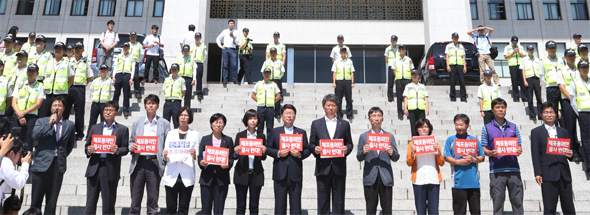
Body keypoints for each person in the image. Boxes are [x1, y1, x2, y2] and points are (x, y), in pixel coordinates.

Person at [30, 96, 76, 215]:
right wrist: (49, 124)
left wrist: (62, 155)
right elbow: (34, 135)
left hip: (57, 165)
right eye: (55, 105)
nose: (57, 107)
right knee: (36, 200)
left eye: (60, 105)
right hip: (41, 165)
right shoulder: (41, 121)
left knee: (52, 201)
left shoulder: (69, 124)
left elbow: (70, 144)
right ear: (51, 108)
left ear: (64, 108)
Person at [309, 94, 354, 215]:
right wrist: (315, 149)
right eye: (328, 105)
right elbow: (311, 144)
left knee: (339, 200)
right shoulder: (316, 124)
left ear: (337, 107)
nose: (331, 107)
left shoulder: (344, 124)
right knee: (322, 200)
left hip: (339, 167)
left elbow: (350, 143)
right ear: (323, 106)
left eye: (333, 105)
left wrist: (346, 149)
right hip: (322, 167)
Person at [84, 101, 129, 215]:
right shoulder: (95, 128)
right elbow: (87, 146)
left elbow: (125, 148)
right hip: (94, 167)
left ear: (116, 113)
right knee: (90, 204)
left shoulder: (122, 129)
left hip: (110, 168)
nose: (108, 112)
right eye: (106, 110)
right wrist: (88, 150)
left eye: (111, 110)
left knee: (108, 205)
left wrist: (117, 150)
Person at [480, 98, 524, 215]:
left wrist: (518, 150)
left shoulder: (513, 127)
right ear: (492, 110)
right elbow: (484, 149)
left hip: (513, 169)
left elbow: (519, 147)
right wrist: (490, 153)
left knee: (517, 201)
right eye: (498, 107)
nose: (500, 110)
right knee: (498, 202)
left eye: (503, 107)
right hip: (496, 169)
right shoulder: (486, 128)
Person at [531, 102, 576, 215]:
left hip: (564, 174)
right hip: (548, 174)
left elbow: (570, 151)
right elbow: (535, 154)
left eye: (551, 112)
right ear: (541, 115)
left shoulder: (563, 132)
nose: (549, 115)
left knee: (569, 207)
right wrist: (538, 172)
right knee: (550, 207)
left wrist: (571, 154)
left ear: (556, 114)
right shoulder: (536, 132)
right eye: (546, 112)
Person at [128, 94, 170, 215]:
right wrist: (131, 146)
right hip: (139, 162)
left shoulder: (164, 123)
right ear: (145, 106)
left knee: (153, 199)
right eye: (148, 103)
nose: (150, 105)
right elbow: (131, 141)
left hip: (154, 162)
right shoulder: (137, 122)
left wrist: (166, 154)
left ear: (157, 105)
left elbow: (168, 142)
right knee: (135, 199)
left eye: (153, 103)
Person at [267, 104, 310, 214]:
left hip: (295, 173)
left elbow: (307, 150)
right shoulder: (275, 131)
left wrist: (299, 154)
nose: (289, 116)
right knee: (279, 205)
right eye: (286, 113)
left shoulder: (301, 132)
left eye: (291, 113)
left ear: (295, 116)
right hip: (280, 173)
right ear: (282, 116)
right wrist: (278, 153)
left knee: (295, 204)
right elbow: (268, 149)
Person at [357, 107, 400, 215]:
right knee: (370, 209)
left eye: (379, 116)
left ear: (382, 119)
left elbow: (396, 157)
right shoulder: (363, 137)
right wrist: (363, 152)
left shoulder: (389, 136)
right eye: (374, 116)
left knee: (387, 209)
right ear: (369, 119)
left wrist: (391, 152)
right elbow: (358, 157)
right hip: (370, 177)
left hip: (386, 177)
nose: (376, 118)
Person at [443, 114, 485, 215]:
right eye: (457, 124)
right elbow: (446, 157)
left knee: (476, 211)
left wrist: (473, 159)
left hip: (473, 182)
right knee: (459, 212)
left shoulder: (474, 140)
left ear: (467, 125)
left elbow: (482, 157)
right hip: (458, 183)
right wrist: (458, 162)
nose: (459, 127)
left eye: (462, 124)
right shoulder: (451, 140)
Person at [162, 107, 199, 215]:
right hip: (172, 173)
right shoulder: (171, 133)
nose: (183, 117)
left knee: (183, 208)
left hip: (186, 174)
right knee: (171, 208)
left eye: (186, 115)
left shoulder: (195, 134)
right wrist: (165, 155)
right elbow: (166, 151)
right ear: (177, 117)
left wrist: (194, 154)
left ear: (190, 118)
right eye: (181, 115)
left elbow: (198, 153)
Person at [198, 113, 234, 215]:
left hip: (221, 179)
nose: (218, 125)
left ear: (224, 125)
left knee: (219, 209)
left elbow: (231, 158)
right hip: (207, 178)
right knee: (206, 208)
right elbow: (200, 156)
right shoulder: (205, 139)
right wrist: (201, 162)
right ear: (211, 124)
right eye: (216, 122)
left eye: (221, 122)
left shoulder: (228, 140)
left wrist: (228, 165)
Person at [406, 118, 444, 215]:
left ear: (429, 129)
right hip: (419, 179)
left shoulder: (434, 142)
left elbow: (441, 162)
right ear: (417, 129)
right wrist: (412, 152)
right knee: (420, 210)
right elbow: (409, 162)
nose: (424, 129)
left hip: (433, 179)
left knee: (434, 211)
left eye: (426, 127)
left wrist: (438, 151)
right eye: (421, 127)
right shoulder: (412, 143)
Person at [233, 109, 267, 215]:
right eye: (250, 118)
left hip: (256, 174)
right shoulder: (240, 135)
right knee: (240, 206)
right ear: (246, 120)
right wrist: (236, 152)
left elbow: (263, 157)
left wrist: (264, 151)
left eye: (255, 118)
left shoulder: (261, 136)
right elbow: (234, 156)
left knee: (254, 206)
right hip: (241, 172)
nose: (253, 121)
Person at [64, 42, 92, 140]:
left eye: (80, 48)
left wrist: (82, 84)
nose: (78, 50)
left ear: (83, 50)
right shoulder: (68, 61)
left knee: (79, 111)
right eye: (76, 48)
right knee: (65, 110)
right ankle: (64, 130)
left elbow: (90, 77)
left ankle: (79, 133)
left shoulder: (86, 62)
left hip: (80, 88)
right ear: (73, 50)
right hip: (68, 87)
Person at [11, 63, 44, 149]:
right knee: (14, 136)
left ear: (37, 73)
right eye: (29, 71)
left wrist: (24, 113)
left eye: (33, 71)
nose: (30, 73)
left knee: (29, 135)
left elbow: (38, 104)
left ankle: (27, 159)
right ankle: (15, 158)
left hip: (31, 115)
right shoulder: (20, 84)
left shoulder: (40, 86)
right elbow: (14, 102)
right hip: (18, 114)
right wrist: (20, 115)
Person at [39, 42, 74, 118]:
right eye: (56, 48)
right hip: (47, 94)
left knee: (59, 117)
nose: (57, 50)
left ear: (64, 51)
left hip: (60, 94)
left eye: (60, 49)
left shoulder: (67, 63)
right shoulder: (48, 63)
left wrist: (64, 87)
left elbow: (71, 79)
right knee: (43, 115)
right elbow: (44, 77)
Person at [558, 48, 581, 158]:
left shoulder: (580, 69)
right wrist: (573, 99)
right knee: (570, 126)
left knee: (584, 126)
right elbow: (562, 88)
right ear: (565, 57)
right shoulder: (561, 70)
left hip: (582, 102)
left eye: (573, 56)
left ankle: (582, 149)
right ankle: (573, 150)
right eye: (569, 56)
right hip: (568, 101)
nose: (572, 57)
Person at [570, 60, 590, 177]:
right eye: (582, 67)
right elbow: (573, 103)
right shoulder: (575, 82)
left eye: (586, 67)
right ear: (578, 69)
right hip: (584, 115)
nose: (585, 69)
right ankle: (588, 168)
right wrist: (581, 114)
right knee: (586, 142)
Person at [540, 40, 565, 127]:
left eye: (554, 48)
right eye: (550, 48)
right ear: (546, 49)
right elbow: (541, 76)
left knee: (565, 112)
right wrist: (547, 86)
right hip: (551, 88)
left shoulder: (561, 59)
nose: (552, 50)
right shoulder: (543, 61)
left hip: (563, 88)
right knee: (553, 111)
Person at [252, 68, 280, 138]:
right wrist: (259, 101)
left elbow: (278, 96)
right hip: (260, 108)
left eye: (268, 73)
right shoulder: (258, 84)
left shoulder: (273, 84)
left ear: (270, 74)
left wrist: (272, 102)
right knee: (259, 126)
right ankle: (260, 141)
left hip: (270, 108)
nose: (267, 75)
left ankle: (269, 144)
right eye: (265, 73)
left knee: (270, 127)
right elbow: (253, 95)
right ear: (263, 74)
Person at [88, 64, 115, 133]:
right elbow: (91, 90)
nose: (103, 71)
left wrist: (109, 102)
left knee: (104, 121)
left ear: (107, 71)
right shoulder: (95, 80)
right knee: (92, 120)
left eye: (104, 70)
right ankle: (89, 135)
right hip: (95, 103)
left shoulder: (109, 81)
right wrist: (93, 98)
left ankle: (103, 134)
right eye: (101, 69)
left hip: (104, 104)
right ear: (99, 71)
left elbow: (112, 92)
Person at [112, 42, 136, 116]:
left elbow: (133, 68)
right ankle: (115, 109)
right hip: (118, 75)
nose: (125, 48)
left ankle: (126, 109)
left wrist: (131, 78)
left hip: (127, 75)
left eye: (126, 47)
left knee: (126, 93)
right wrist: (113, 76)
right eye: (124, 47)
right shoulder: (119, 56)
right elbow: (115, 66)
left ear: (129, 48)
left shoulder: (132, 56)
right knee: (116, 93)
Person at [331, 47, 355, 120]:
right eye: (342, 52)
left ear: (346, 53)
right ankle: (339, 114)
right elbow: (334, 72)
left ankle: (349, 113)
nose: (343, 53)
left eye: (345, 52)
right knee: (338, 99)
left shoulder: (350, 61)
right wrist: (334, 82)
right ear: (340, 53)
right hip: (339, 81)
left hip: (347, 81)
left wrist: (352, 82)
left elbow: (352, 72)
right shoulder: (336, 61)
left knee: (349, 98)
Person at [403, 69, 429, 136]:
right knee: (413, 126)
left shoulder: (422, 86)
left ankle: (422, 139)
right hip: (412, 109)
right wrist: (405, 108)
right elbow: (406, 98)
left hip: (421, 109)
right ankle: (414, 140)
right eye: (413, 75)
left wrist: (427, 108)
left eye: (415, 75)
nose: (414, 76)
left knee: (422, 125)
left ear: (418, 76)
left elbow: (426, 98)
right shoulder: (408, 86)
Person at [261, 47, 285, 119]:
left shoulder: (280, 62)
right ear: (270, 54)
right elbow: (262, 71)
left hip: (277, 80)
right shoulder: (266, 62)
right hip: (269, 80)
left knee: (277, 97)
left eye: (274, 52)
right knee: (270, 95)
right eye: (271, 52)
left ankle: (277, 113)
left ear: (276, 53)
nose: (273, 53)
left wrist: (278, 77)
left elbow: (282, 71)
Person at [521, 45, 543, 121]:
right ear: (527, 51)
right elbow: (523, 71)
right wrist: (524, 81)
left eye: (532, 49)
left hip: (537, 79)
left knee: (539, 98)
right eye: (530, 49)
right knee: (530, 99)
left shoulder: (537, 59)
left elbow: (540, 71)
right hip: (529, 79)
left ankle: (540, 114)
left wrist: (541, 80)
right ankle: (532, 115)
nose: (531, 51)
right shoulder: (524, 59)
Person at [216, 19, 240, 85]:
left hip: (233, 49)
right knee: (225, 65)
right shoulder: (225, 31)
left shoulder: (236, 32)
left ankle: (235, 79)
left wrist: (233, 37)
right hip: (225, 49)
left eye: (232, 23)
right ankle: (225, 79)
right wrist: (220, 46)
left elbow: (238, 43)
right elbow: (218, 38)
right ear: (228, 24)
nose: (231, 24)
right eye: (230, 23)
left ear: (234, 25)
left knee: (234, 65)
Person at [394, 45, 414, 120]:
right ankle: (400, 113)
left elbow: (411, 69)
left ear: (405, 51)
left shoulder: (409, 59)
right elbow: (394, 69)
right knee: (399, 97)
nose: (401, 50)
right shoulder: (396, 60)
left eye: (403, 49)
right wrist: (397, 76)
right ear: (398, 51)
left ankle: (408, 112)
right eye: (400, 49)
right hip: (399, 79)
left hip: (407, 79)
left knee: (408, 97)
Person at [163, 63, 186, 129]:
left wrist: (178, 98)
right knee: (165, 121)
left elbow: (183, 92)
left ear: (178, 70)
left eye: (175, 69)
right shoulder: (166, 79)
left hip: (176, 102)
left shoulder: (181, 80)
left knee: (176, 121)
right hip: (167, 102)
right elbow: (164, 90)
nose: (174, 70)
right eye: (172, 69)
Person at [446, 32, 467, 102]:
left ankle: (463, 97)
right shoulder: (448, 46)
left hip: (460, 65)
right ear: (452, 38)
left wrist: (465, 66)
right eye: (454, 37)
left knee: (462, 81)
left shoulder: (461, 46)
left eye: (457, 37)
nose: (455, 38)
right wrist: (448, 66)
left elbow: (463, 57)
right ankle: (453, 97)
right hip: (452, 65)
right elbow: (447, 56)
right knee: (452, 81)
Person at [505, 36, 527, 102]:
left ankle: (524, 98)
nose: (514, 43)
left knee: (522, 81)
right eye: (513, 42)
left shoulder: (520, 47)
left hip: (520, 65)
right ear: (511, 41)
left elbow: (524, 55)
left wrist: (519, 52)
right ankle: (516, 98)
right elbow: (506, 56)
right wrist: (513, 53)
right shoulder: (507, 47)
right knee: (514, 82)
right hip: (512, 66)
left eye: (516, 42)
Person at [191, 32, 207, 100]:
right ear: (194, 38)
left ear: (200, 38)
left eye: (198, 37)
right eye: (196, 37)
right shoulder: (191, 45)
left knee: (199, 77)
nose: (197, 38)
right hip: (192, 63)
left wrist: (202, 60)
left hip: (199, 63)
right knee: (191, 77)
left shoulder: (203, 45)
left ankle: (199, 92)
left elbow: (205, 54)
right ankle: (190, 92)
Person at [385, 35, 400, 102]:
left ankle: (400, 95)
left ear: (396, 41)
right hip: (391, 67)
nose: (392, 41)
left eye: (393, 40)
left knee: (399, 82)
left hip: (398, 67)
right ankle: (390, 96)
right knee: (390, 82)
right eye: (391, 40)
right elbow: (386, 58)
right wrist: (390, 63)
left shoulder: (399, 48)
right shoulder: (388, 49)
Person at [129, 31, 143, 98]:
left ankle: (137, 92)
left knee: (136, 77)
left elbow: (141, 54)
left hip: (135, 63)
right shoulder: (127, 44)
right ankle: (128, 92)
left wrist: (138, 61)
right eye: (131, 36)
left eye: (134, 36)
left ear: (136, 37)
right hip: (127, 63)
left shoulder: (139, 44)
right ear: (129, 37)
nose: (133, 38)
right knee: (128, 77)